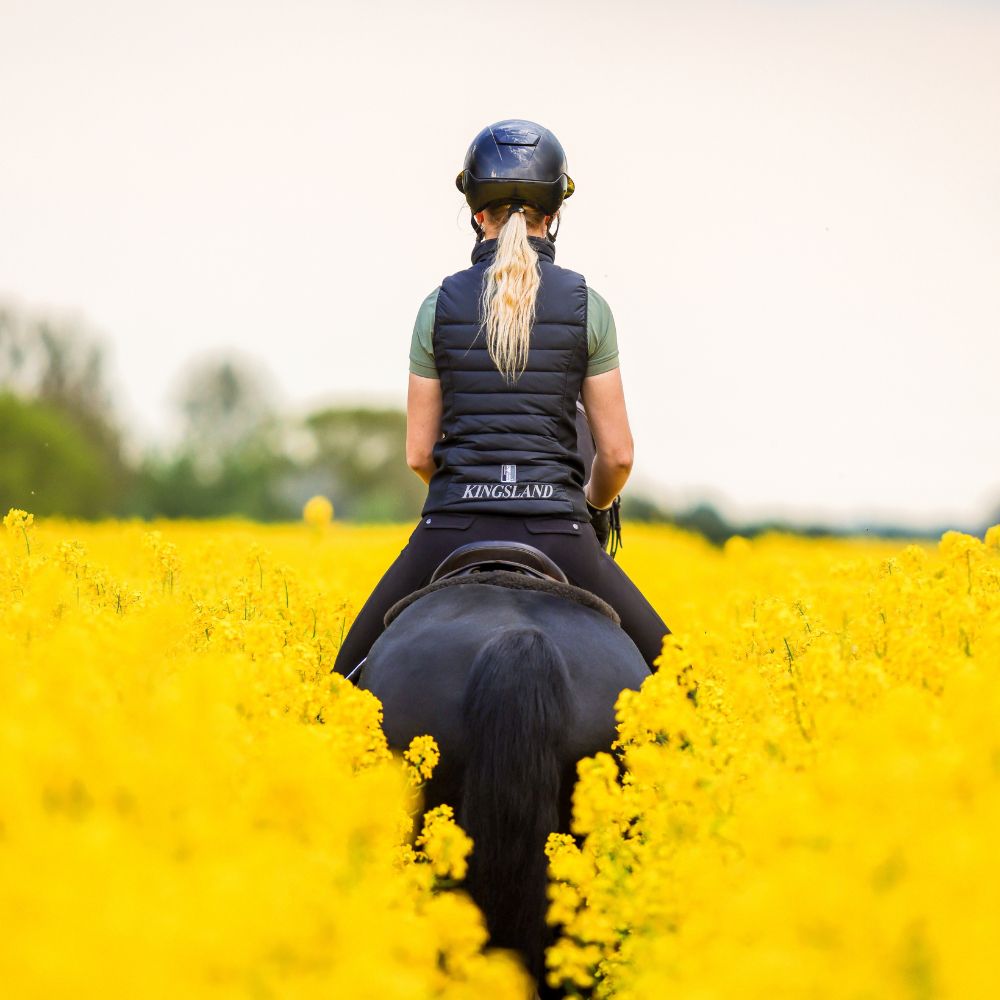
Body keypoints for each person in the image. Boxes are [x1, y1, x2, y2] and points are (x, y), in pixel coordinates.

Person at [333, 119, 668, 677]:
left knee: (336, 691)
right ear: (552, 215)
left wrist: (470, 488)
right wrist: (591, 504)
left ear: (476, 213)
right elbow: (617, 456)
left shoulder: (437, 306)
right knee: (683, 686)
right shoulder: (589, 307)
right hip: (559, 531)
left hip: (451, 528)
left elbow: (419, 454)